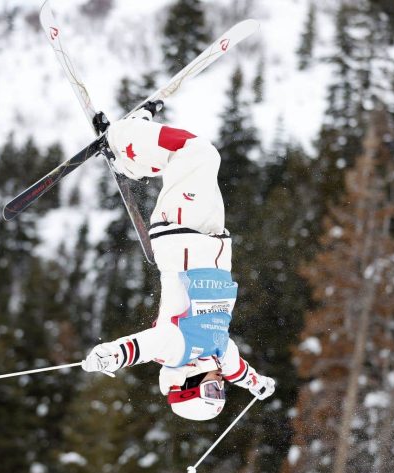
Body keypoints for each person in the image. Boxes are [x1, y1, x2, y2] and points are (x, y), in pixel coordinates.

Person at [81, 105, 275, 421]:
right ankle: (136, 156)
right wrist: (256, 384)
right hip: (214, 238)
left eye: (212, 392)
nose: (219, 387)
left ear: (187, 386)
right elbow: (239, 370)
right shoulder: (219, 355)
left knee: (198, 153)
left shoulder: (177, 349)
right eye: (221, 394)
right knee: (196, 161)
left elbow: (139, 348)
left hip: (181, 233)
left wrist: (110, 356)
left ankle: (121, 139)